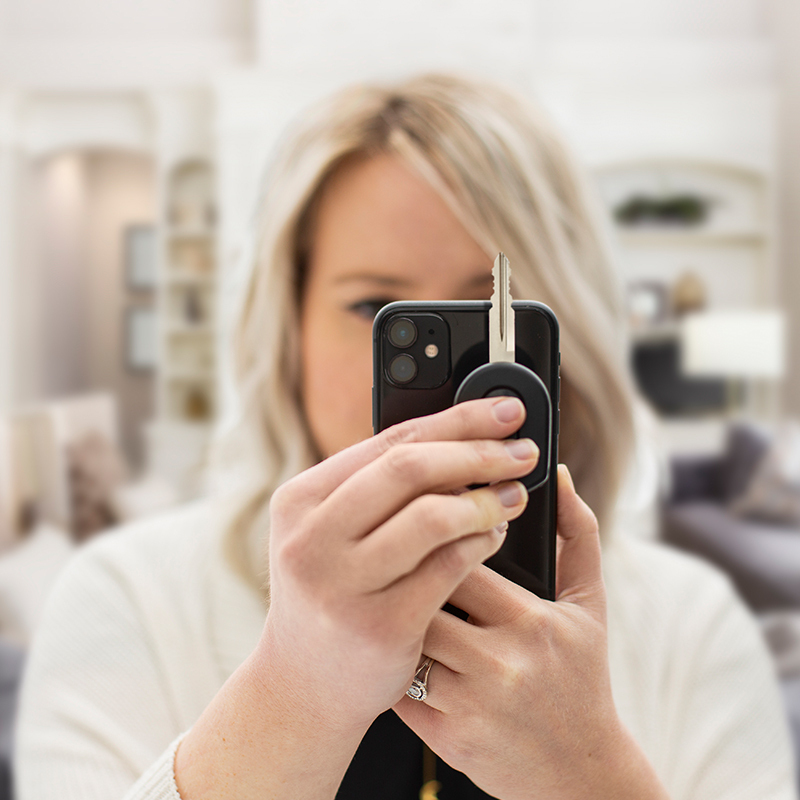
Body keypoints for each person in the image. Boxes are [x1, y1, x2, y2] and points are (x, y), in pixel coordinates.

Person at [14, 74, 797, 800]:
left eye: (490, 316)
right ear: (288, 332)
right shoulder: (132, 600)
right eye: (373, 308)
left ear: (565, 339)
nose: (446, 394)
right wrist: (291, 694)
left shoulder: (691, 628)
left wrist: (590, 772)